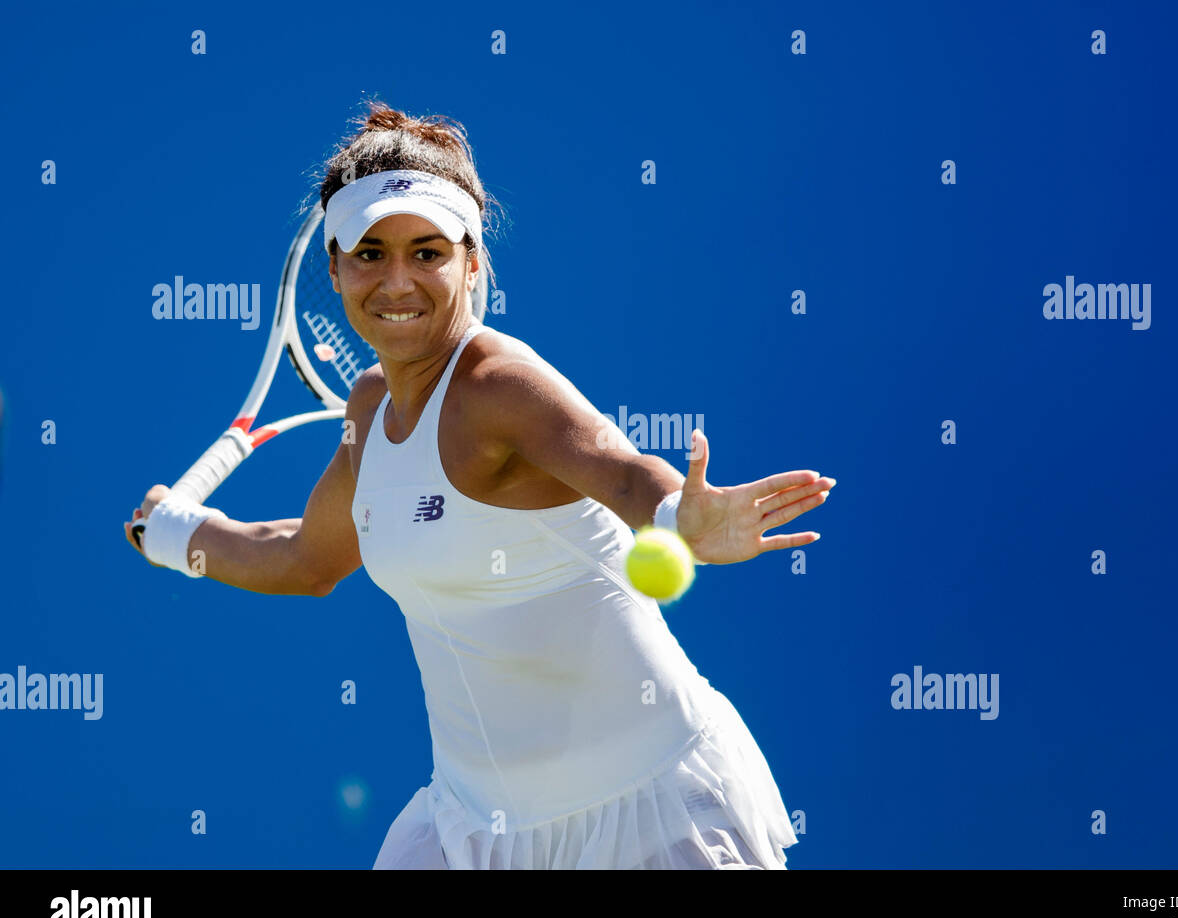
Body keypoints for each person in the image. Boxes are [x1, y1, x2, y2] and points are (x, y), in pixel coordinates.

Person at [124, 103, 836, 869]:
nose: (397, 281)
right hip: (471, 831)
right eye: (369, 253)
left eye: (426, 251)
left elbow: (623, 471)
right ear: (333, 269)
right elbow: (307, 558)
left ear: (470, 262)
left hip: (652, 815)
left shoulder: (501, 385)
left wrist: (676, 515)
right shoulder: (368, 409)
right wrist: (171, 534)